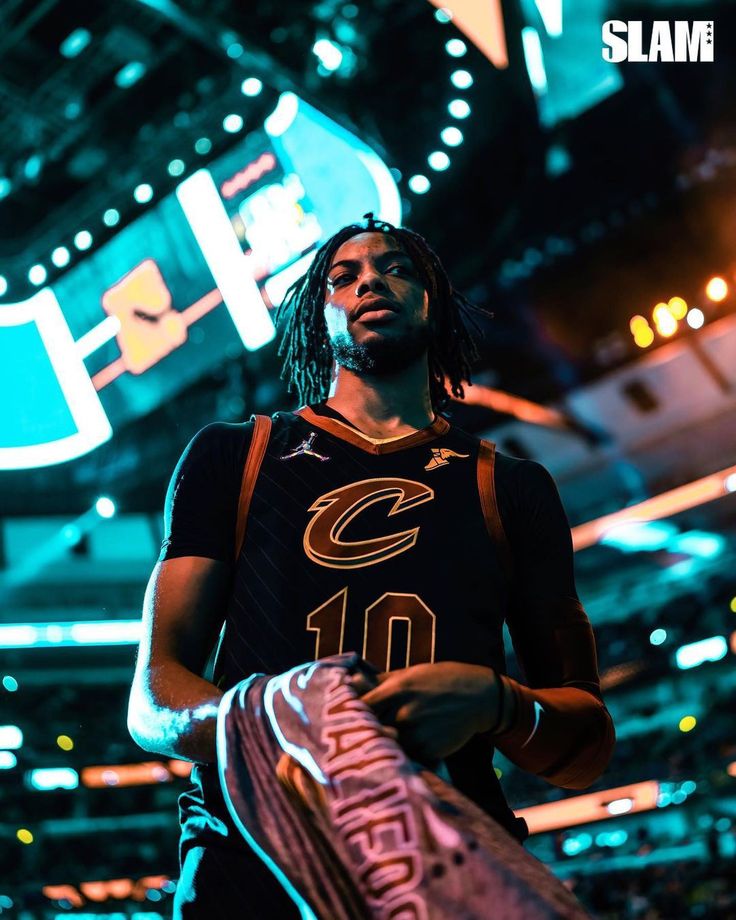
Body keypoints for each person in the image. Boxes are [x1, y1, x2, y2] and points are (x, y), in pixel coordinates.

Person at [127, 213, 615, 918]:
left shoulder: (511, 486)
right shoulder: (235, 453)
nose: (369, 284)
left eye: (396, 269)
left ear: (433, 302)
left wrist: (494, 701)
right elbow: (152, 702)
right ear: (313, 315)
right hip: (250, 860)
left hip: (445, 855)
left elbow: (588, 743)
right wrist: (288, 719)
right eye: (342, 276)